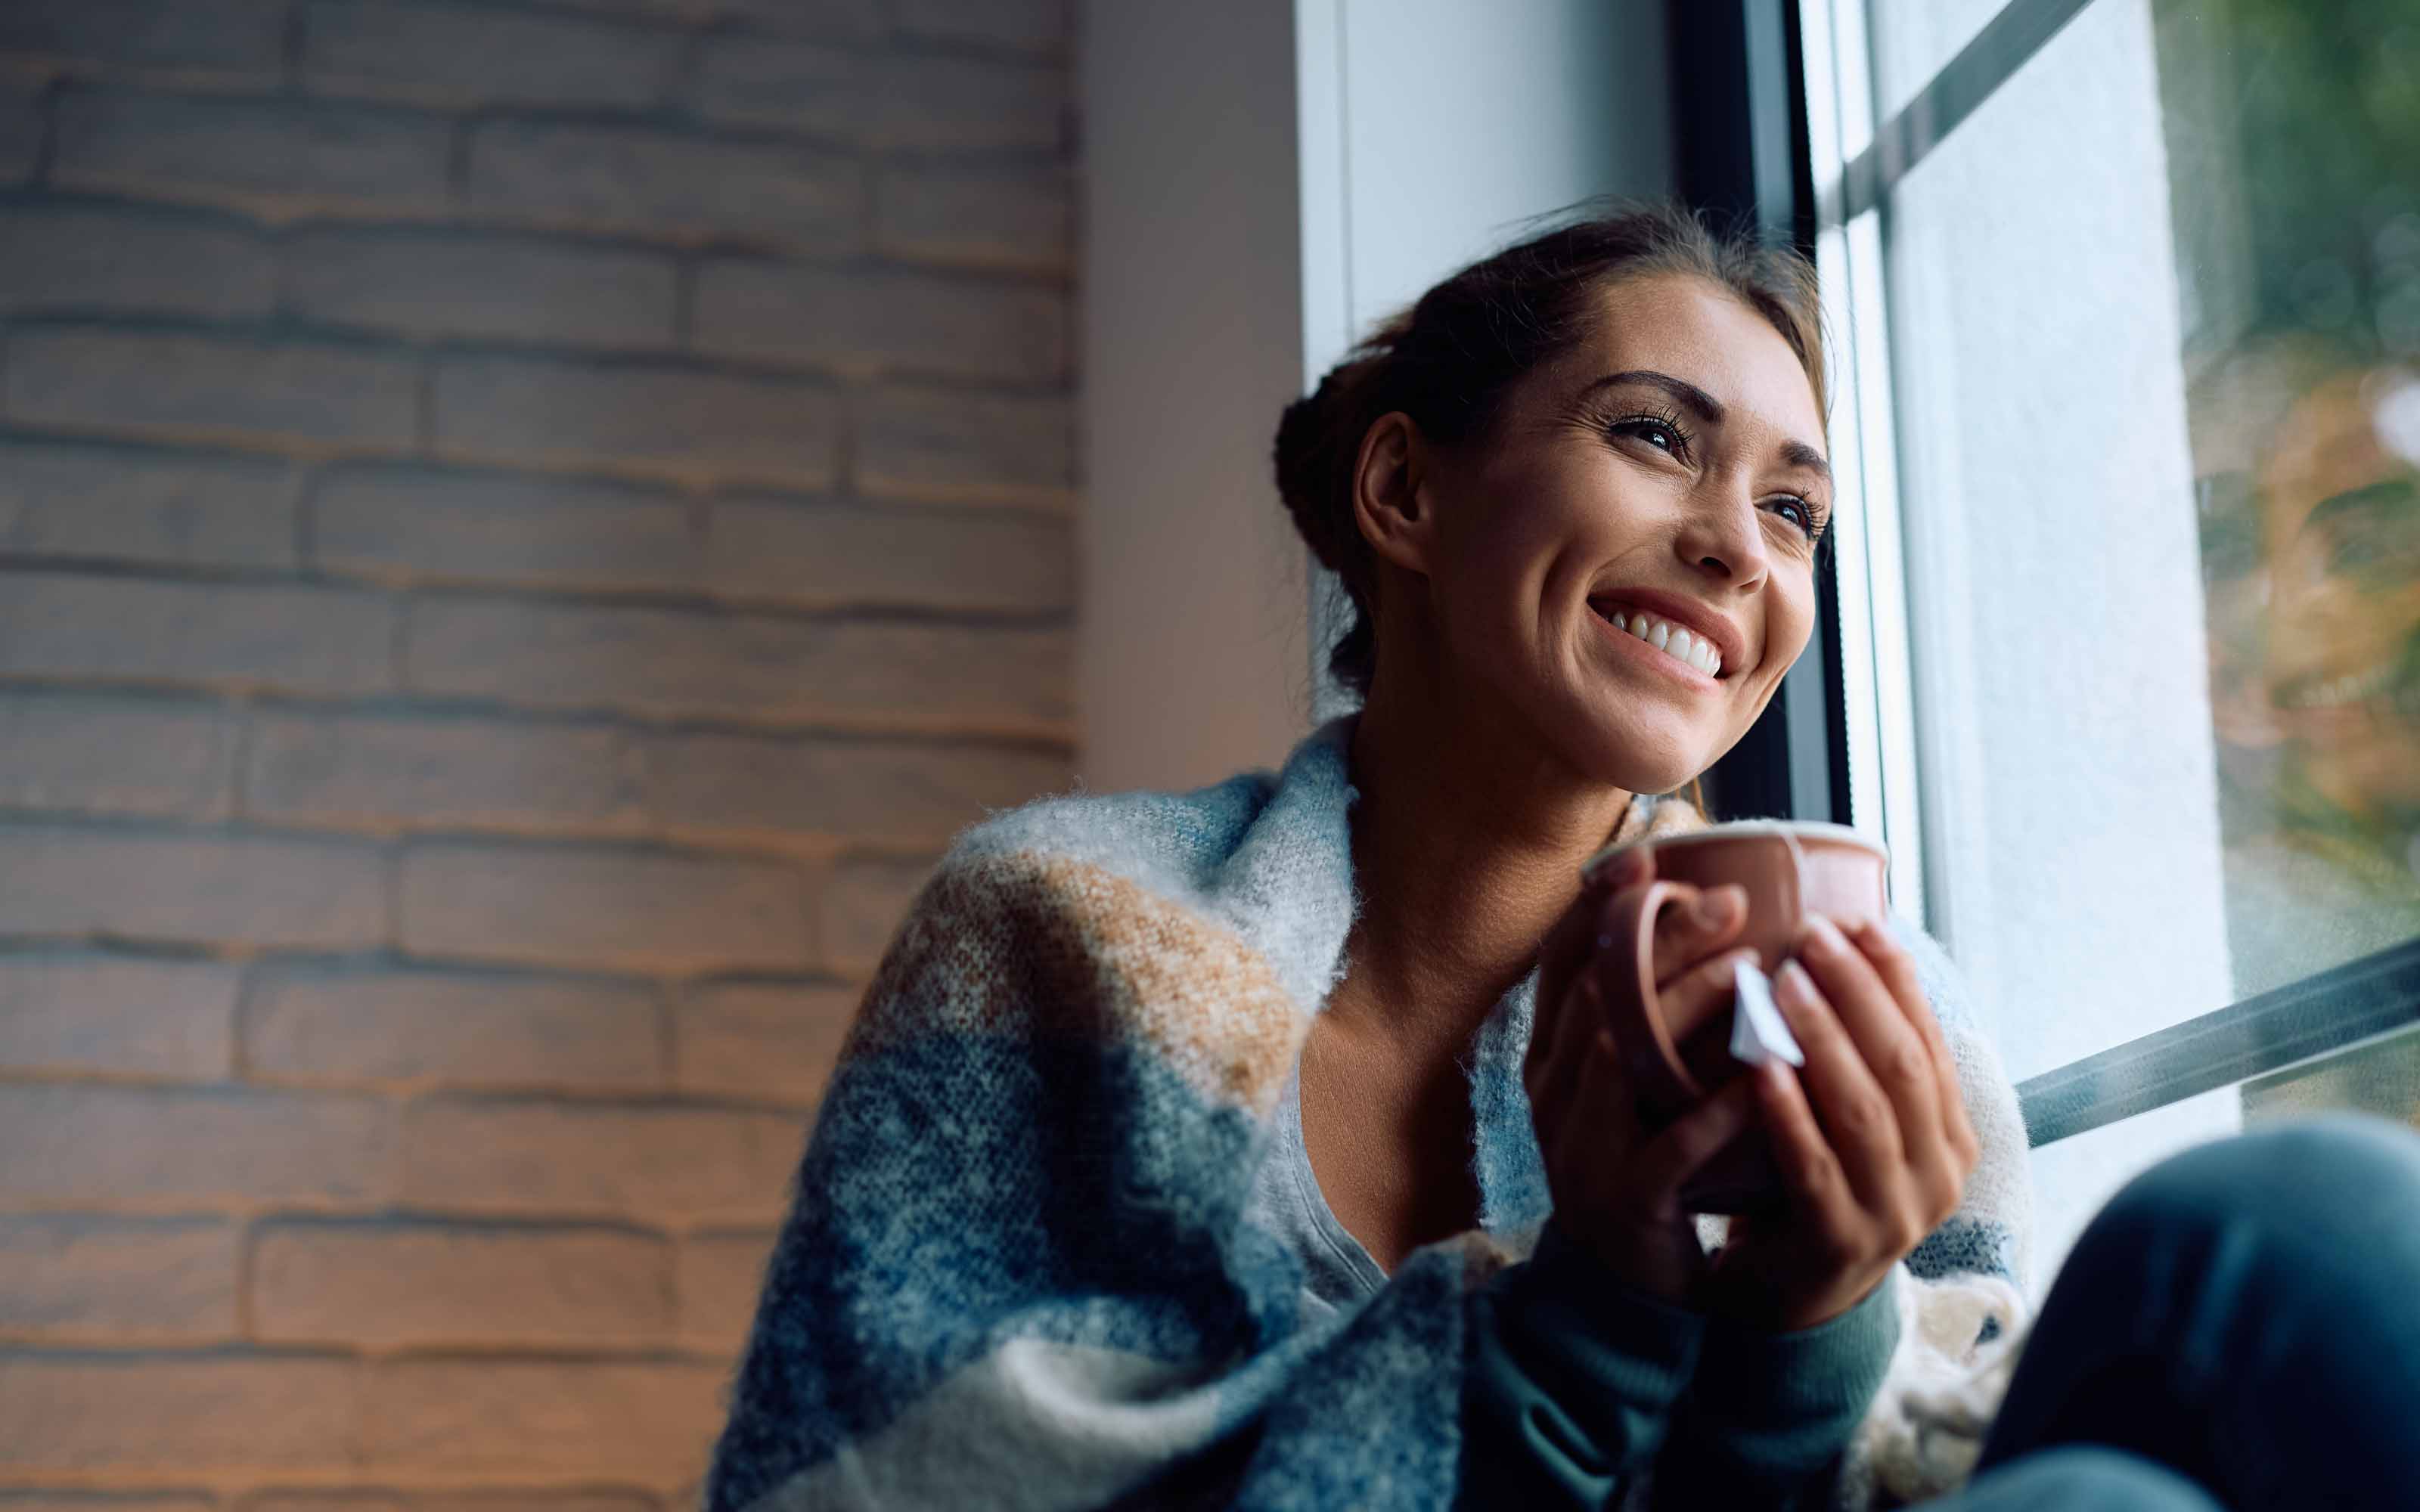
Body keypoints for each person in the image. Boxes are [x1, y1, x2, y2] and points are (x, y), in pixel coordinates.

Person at [701, 204, 2420, 1511]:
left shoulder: (1880, 1016)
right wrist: (1580, 1312)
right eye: (1657, 436)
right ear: (1403, 493)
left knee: (2282, 1222)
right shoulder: (1058, 936)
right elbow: (865, 1476)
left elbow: (1881, 1460)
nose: (1738, 547)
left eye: (1797, 509)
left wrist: (1808, 1322)